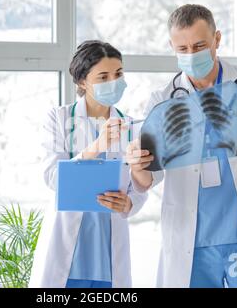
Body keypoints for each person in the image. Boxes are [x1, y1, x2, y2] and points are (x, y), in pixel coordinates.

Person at [126, 4, 237, 288]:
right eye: (182, 49)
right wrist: (137, 167)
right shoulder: (163, 99)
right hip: (193, 242)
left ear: (217, 39)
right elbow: (150, 178)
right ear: (171, 46)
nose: (191, 55)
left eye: (199, 45)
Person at [29, 40, 148, 288]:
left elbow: (139, 185)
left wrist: (130, 202)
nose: (113, 82)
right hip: (69, 245)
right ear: (82, 82)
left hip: (107, 244)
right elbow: (53, 178)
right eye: (103, 76)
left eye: (118, 74)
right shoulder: (60, 118)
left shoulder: (131, 126)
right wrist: (97, 146)